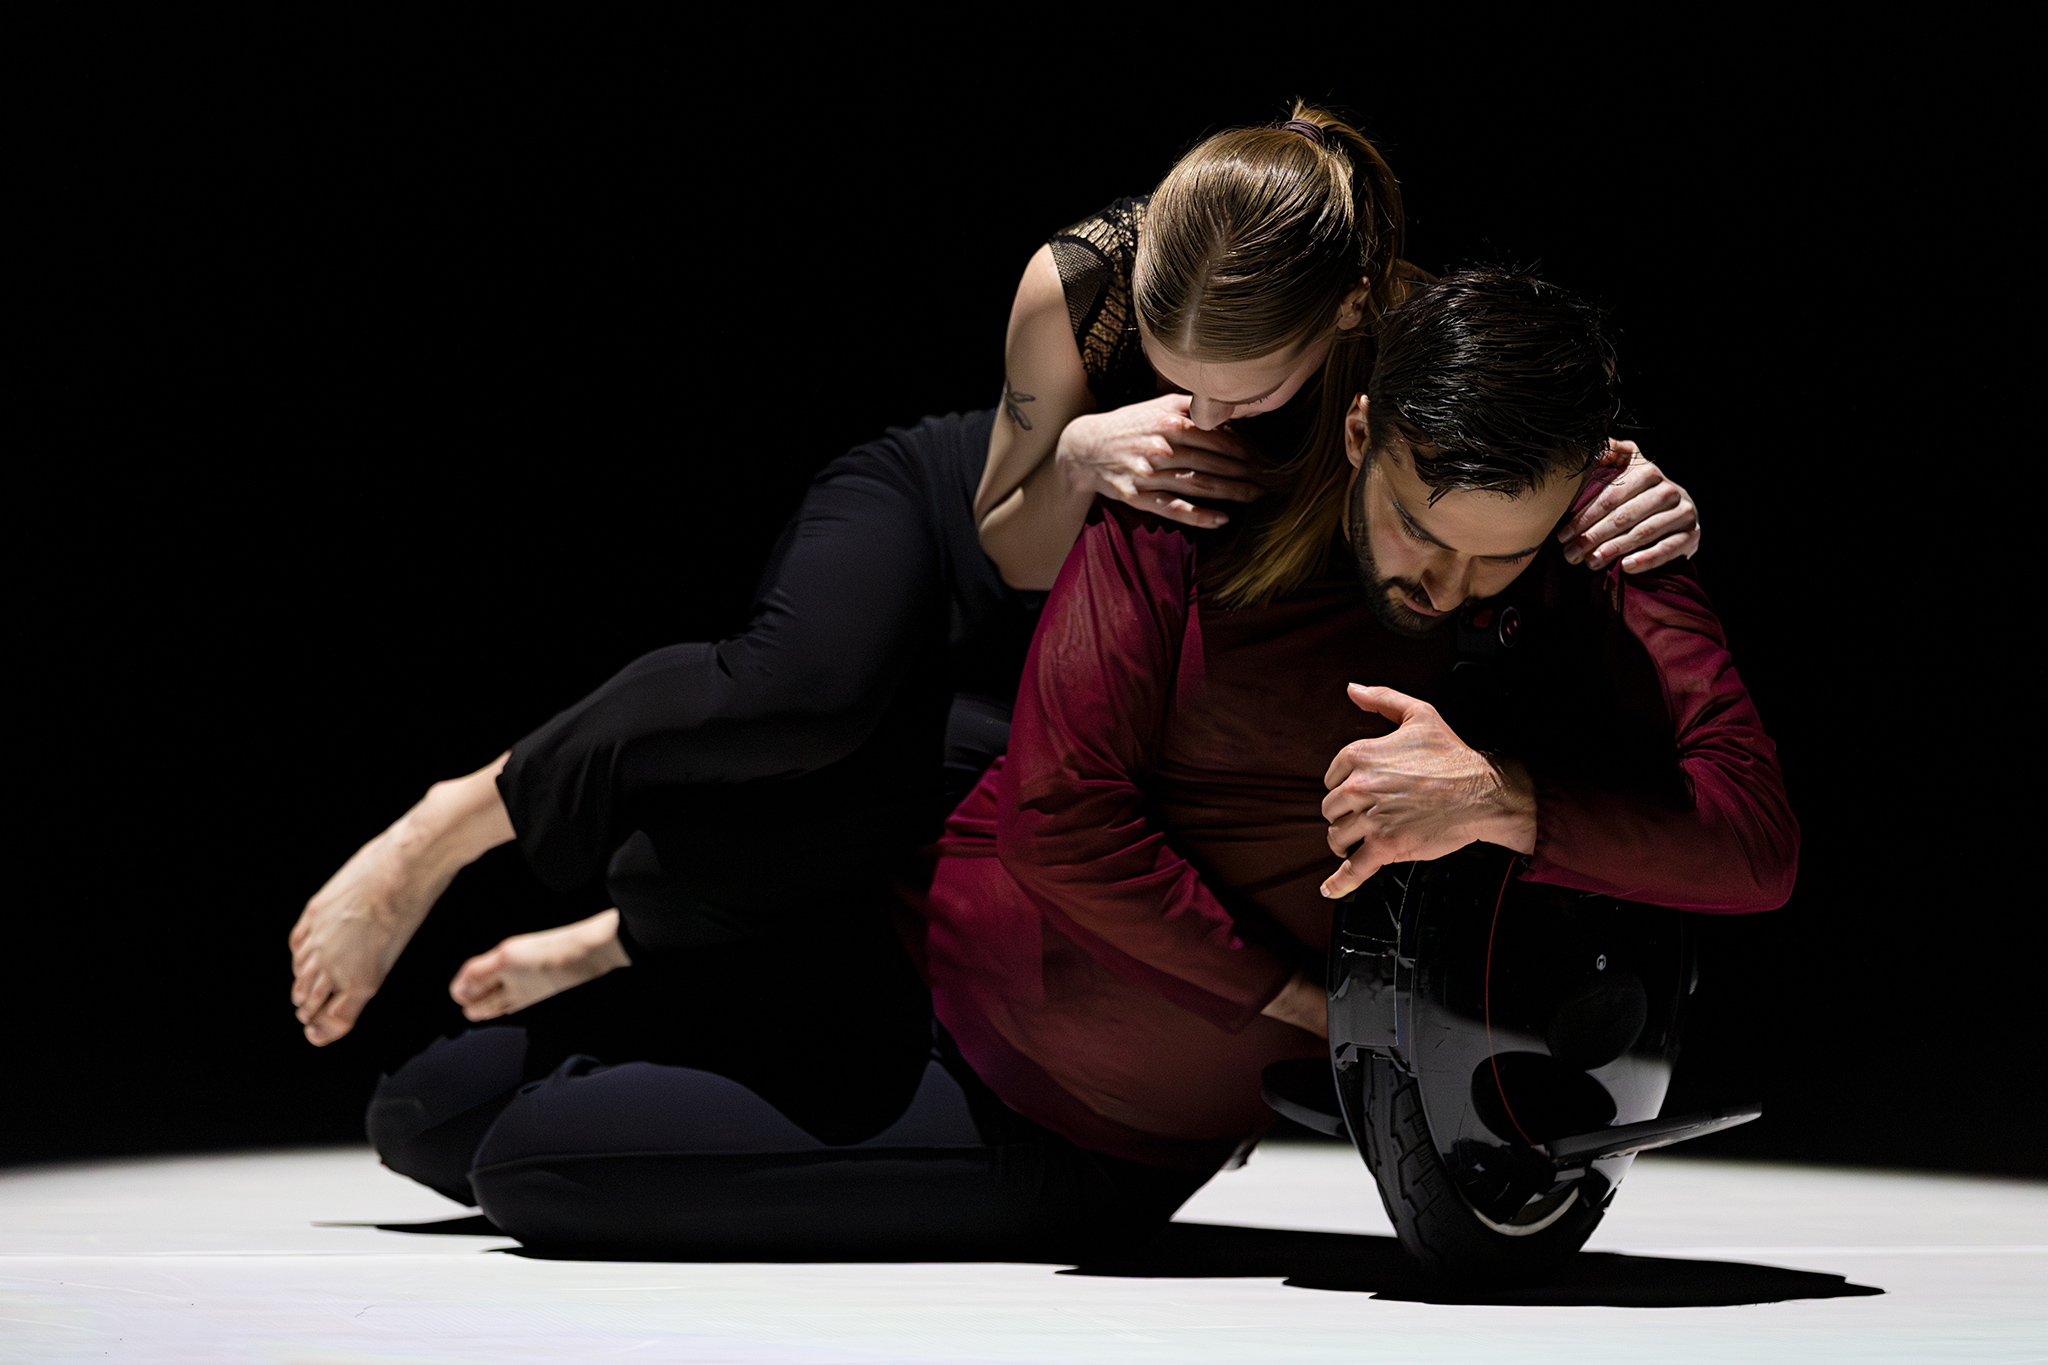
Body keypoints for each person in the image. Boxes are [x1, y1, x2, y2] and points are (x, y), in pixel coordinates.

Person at [367, 268, 1793, 1256]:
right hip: (909, 930)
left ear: (1577, 489)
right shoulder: (1198, 488)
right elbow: (1060, 823)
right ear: (1365, 431)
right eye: (1421, 528)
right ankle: (637, 933)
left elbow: (1754, 847)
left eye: (1499, 557)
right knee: (422, 1109)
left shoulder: (1608, 543)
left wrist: (1502, 798)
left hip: (1063, 1111)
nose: (1445, 585)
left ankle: (661, 986)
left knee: (525, 1164)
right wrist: (1316, 1009)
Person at [289, 106, 1701, 1055]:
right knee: (805, 696)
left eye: (1247, 392)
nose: (1206, 412)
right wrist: (1083, 451)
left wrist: (1633, 485)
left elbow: (1513, 456)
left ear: (1341, 317)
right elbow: (1009, 541)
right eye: (1179, 376)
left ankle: (618, 935)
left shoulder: (1398, 325)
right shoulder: (1071, 283)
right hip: (977, 521)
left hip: (1087, 610)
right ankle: (457, 818)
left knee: (926, 804)